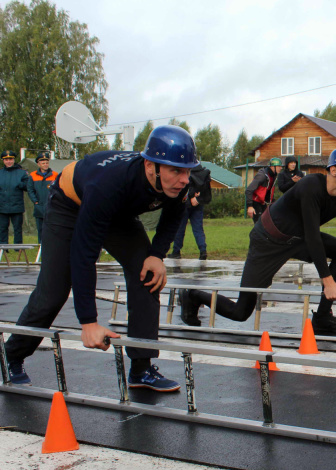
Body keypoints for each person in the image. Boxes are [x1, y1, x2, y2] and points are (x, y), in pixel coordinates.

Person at [5, 125, 199, 392]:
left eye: (187, 170)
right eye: (175, 171)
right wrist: (88, 322)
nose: (184, 179)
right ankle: (11, 357)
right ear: (150, 166)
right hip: (70, 205)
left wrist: (156, 255)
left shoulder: (183, 182)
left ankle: (141, 369)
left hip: (117, 212)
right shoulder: (108, 184)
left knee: (148, 275)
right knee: (55, 289)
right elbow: (83, 254)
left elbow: (175, 214)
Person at [179, 147, 336, 335]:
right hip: (267, 240)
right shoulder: (310, 186)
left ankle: (323, 317)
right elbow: (313, 236)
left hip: (297, 239)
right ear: (333, 170)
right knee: (240, 312)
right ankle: (193, 295)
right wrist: (328, 282)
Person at [168, 163, 212, 260]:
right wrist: (198, 198)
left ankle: (176, 251)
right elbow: (206, 190)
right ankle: (203, 250)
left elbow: (186, 186)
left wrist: (191, 196)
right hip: (198, 203)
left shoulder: (186, 170)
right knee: (198, 228)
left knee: (180, 228)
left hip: (185, 203)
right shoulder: (204, 173)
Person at [27, 151, 58, 243]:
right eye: (43, 163)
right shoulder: (32, 175)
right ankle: (41, 244)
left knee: (52, 226)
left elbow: (58, 189)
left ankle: (52, 243)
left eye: (47, 163)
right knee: (40, 227)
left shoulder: (55, 175)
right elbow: (30, 189)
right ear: (38, 164)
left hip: (51, 205)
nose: (45, 165)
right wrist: (35, 201)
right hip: (39, 204)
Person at [0, 150, 29, 246]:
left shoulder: (21, 173)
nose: (9, 161)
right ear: (3, 161)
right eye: (7, 159)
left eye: (11, 159)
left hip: (16, 205)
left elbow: (27, 186)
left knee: (17, 228)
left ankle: (18, 247)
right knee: (2, 228)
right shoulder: (0, 173)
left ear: (14, 160)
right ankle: (3, 248)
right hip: (2, 206)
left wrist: (19, 184)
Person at [245, 157, 281, 223]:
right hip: (255, 202)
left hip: (262, 202)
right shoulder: (262, 176)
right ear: (273, 167)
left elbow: (268, 190)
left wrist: (272, 202)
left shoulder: (273, 176)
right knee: (259, 224)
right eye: (279, 166)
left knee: (267, 223)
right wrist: (250, 206)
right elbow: (249, 190)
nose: (281, 168)